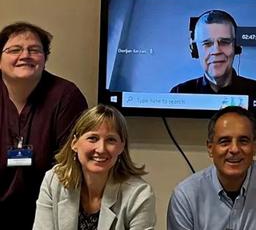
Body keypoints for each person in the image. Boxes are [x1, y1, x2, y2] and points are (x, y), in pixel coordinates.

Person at [0, 22, 87, 230]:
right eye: (14, 50)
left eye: (34, 50)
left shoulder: (66, 97)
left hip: (48, 213)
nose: (25, 55)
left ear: (45, 59)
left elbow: (72, 166)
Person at [167, 106, 256, 230]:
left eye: (243, 141)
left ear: (254, 146)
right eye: (224, 141)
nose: (234, 149)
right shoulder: (185, 195)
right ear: (210, 148)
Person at [33, 104, 155, 229]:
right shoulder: (53, 181)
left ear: (121, 147)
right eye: (93, 138)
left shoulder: (139, 194)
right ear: (74, 143)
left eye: (111, 140)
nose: (101, 149)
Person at [170, 10, 256, 100]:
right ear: (195, 50)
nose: (216, 51)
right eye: (207, 43)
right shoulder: (179, 93)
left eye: (224, 42)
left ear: (236, 47)